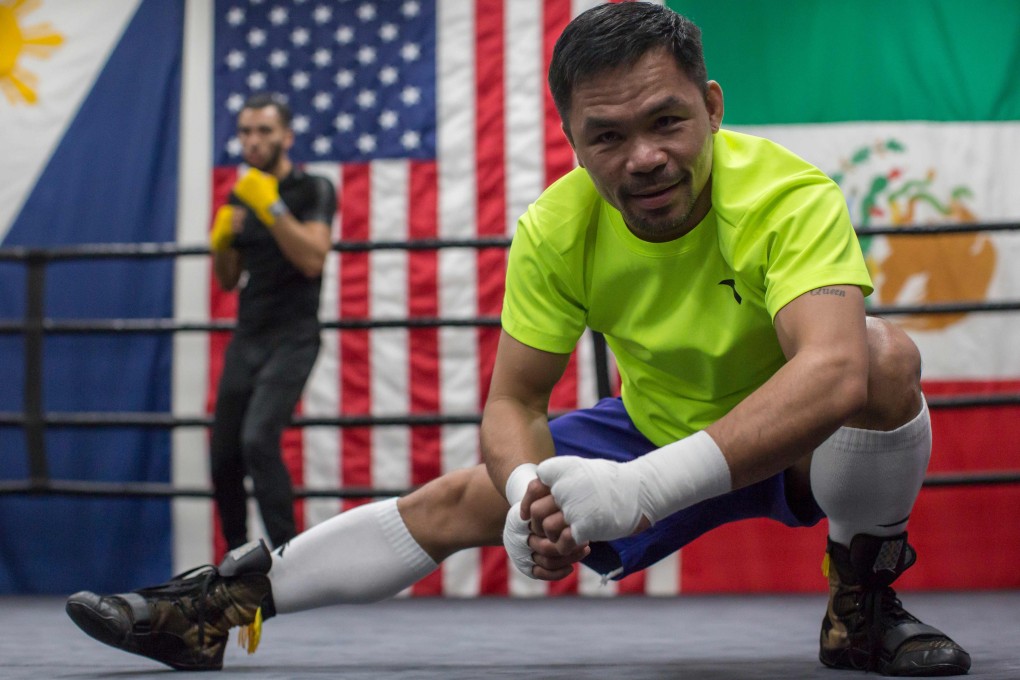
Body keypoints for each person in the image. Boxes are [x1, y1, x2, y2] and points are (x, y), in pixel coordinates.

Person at [66, 5, 970, 676]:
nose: (644, 157)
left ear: (713, 107)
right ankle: (213, 610)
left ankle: (862, 607)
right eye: (607, 136)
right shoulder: (557, 228)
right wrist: (527, 496)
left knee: (887, 360)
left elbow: (835, 368)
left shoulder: (785, 194)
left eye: (666, 121)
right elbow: (514, 402)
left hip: (800, 438)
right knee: (462, 496)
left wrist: (641, 488)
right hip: (658, 423)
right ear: (573, 142)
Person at [206, 93, 335, 549]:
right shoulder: (240, 196)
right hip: (249, 335)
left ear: (286, 136)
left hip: (294, 337)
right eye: (246, 132)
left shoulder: (313, 188)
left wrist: (273, 208)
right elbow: (228, 279)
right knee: (223, 454)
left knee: (259, 440)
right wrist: (222, 242)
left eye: (264, 131)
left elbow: (313, 259)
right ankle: (238, 559)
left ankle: (288, 557)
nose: (253, 141)